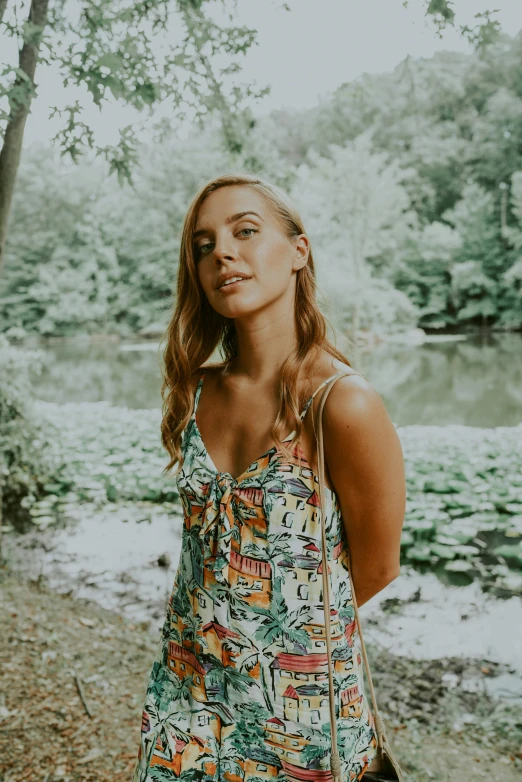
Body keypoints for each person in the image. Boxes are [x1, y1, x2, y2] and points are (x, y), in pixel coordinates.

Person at [132, 173, 406, 782]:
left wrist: (272, 632)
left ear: (298, 253)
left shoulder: (342, 403)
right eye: (203, 246)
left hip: (298, 716)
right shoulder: (196, 391)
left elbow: (378, 566)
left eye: (246, 231)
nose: (222, 252)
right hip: (186, 698)